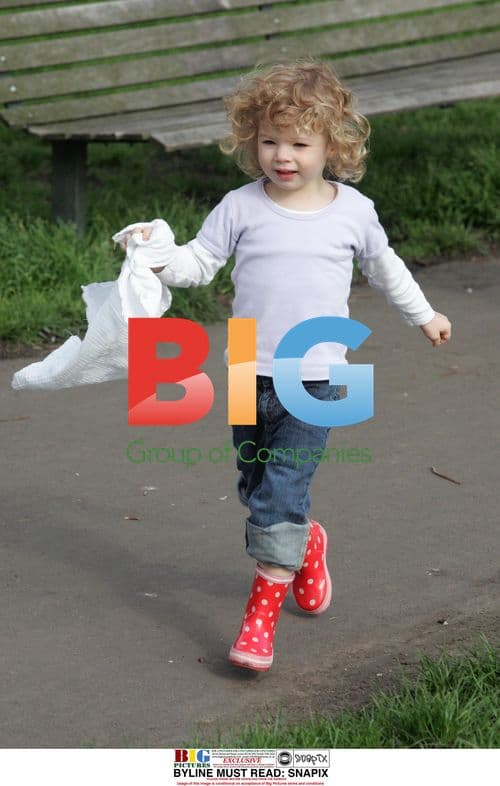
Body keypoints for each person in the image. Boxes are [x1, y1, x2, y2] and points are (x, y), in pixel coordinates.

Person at [120, 58, 451, 672]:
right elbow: (200, 262)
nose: (283, 155)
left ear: (334, 144)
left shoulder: (353, 212)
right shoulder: (240, 206)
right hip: (249, 367)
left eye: (300, 142)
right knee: (256, 489)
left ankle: (260, 616)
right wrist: (157, 258)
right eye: (269, 140)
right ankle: (309, 541)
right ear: (251, 141)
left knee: (280, 494)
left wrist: (424, 314)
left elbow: (386, 268)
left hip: (321, 376)